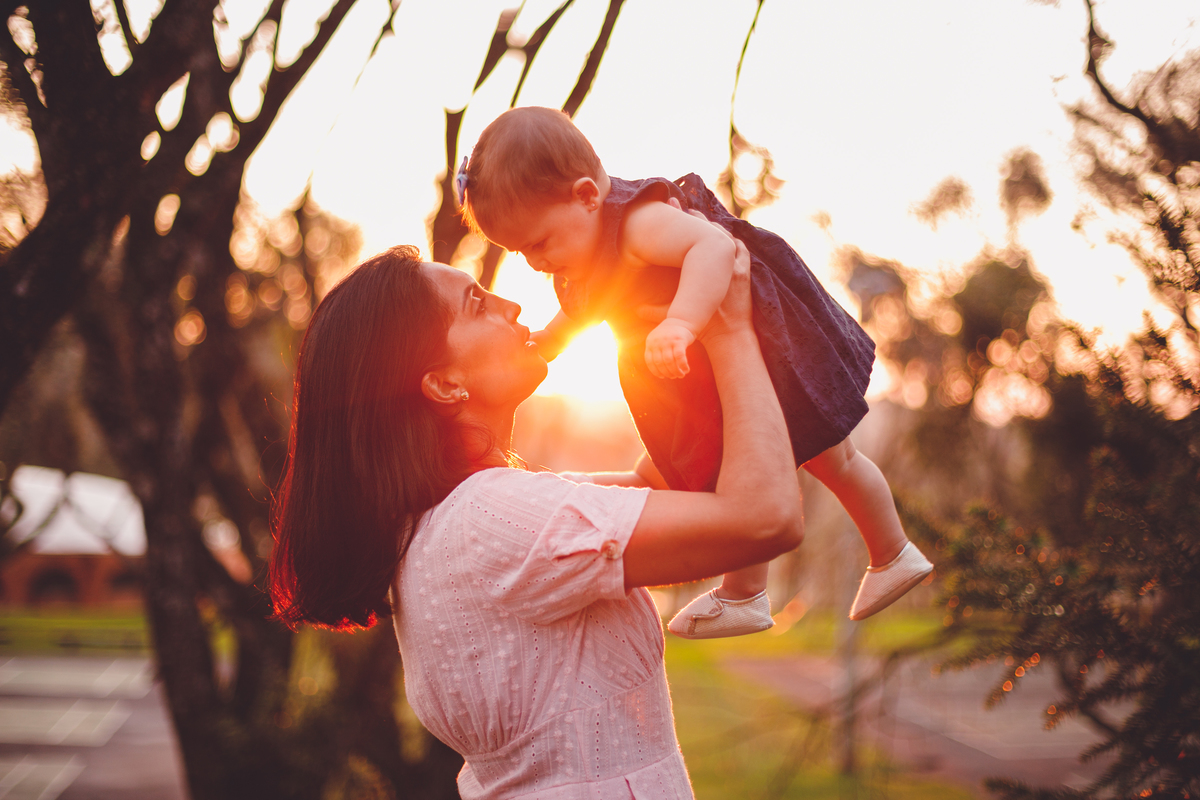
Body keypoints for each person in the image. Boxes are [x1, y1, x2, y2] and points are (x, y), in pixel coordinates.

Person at [268, 242, 804, 798]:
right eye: (477, 303)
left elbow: (662, 485)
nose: (513, 307)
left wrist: (672, 330)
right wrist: (730, 332)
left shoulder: (454, 520)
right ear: (445, 384)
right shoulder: (493, 518)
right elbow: (765, 519)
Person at [455, 107, 934, 637]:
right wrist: (549, 341)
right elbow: (585, 307)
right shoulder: (586, 246)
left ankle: (889, 554)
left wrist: (682, 322)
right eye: (519, 251)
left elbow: (715, 247)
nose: (533, 263)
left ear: (587, 195)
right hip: (712, 371)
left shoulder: (639, 223)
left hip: (768, 349)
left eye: (538, 243)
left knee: (832, 457)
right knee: (742, 468)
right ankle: (751, 592)